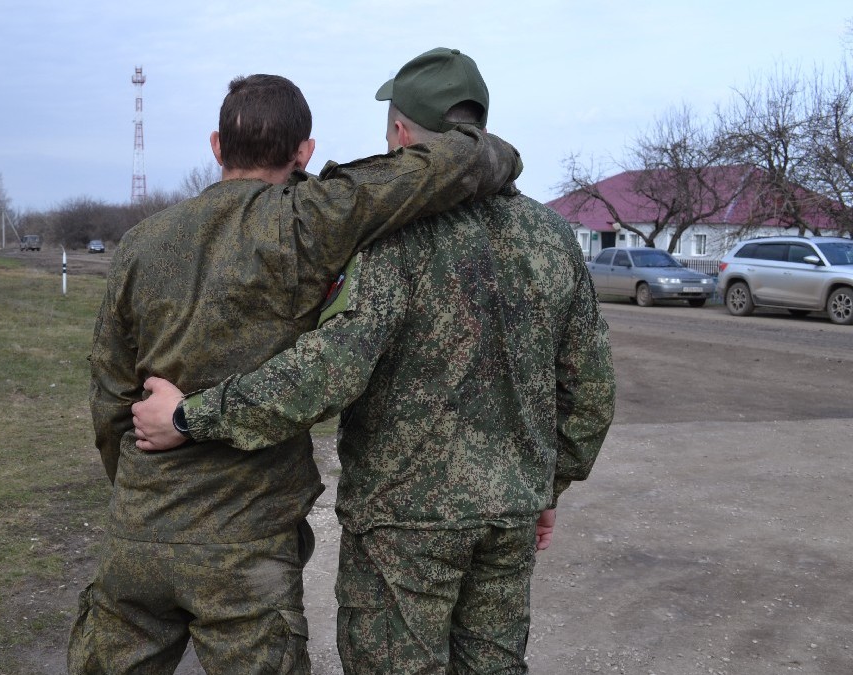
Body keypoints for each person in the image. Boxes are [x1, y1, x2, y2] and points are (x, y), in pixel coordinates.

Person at [132, 49, 615, 674]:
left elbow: (327, 372)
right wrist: (548, 485)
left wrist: (192, 417)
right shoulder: (550, 237)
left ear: (402, 134)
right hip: (510, 514)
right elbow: (591, 390)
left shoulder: (390, 239)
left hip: (403, 523)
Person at [69, 72, 522, 674]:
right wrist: (500, 152)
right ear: (304, 151)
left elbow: (110, 399)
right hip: (246, 545)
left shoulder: (138, 245)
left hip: (140, 532)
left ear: (215, 145)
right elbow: (452, 164)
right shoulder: (308, 221)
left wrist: (140, 492)